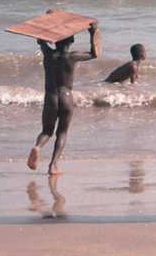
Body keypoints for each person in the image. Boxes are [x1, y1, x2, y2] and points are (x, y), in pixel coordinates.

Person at [27, 19, 101, 176]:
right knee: (62, 132)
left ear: (54, 41)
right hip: (66, 96)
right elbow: (94, 54)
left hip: (51, 96)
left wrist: (47, 23)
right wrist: (93, 32)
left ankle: (38, 147)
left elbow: (40, 40)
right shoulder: (72, 57)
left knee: (47, 131)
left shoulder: (48, 54)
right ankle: (53, 166)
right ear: (72, 40)